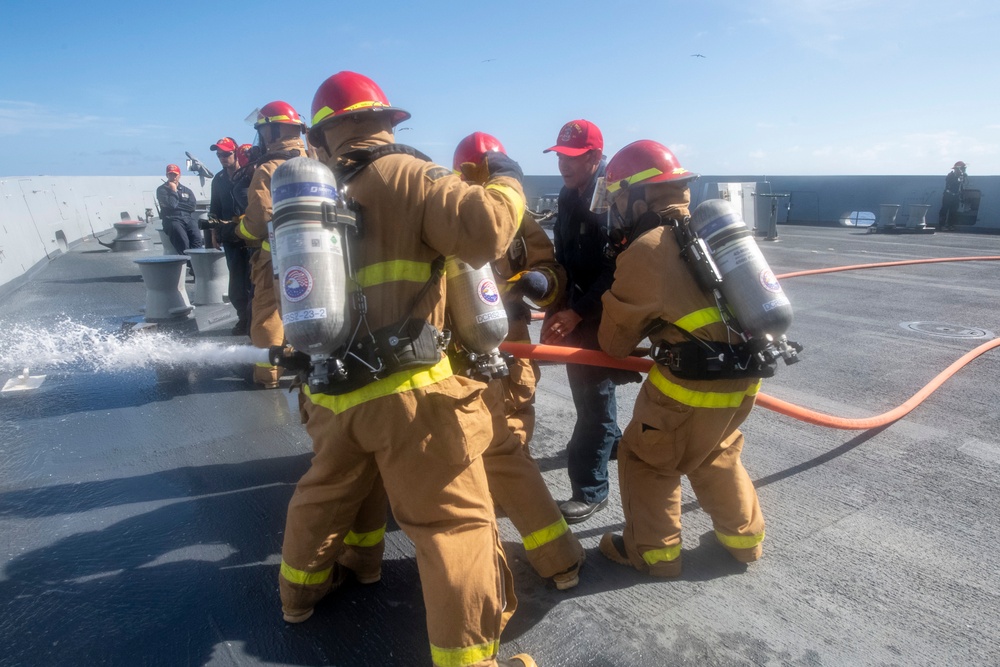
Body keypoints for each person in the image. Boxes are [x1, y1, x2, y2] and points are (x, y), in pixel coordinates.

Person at [278, 71, 534, 667]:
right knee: (454, 526)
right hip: (410, 392)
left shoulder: (318, 195)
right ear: (385, 122)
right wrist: (509, 182)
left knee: (323, 497)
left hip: (333, 394)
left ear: (325, 135)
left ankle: (299, 595)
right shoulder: (407, 173)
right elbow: (485, 231)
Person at [596, 139, 765, 578]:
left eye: (618, 200)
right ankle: (746, 542)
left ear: (638, 198)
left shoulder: (646, 248)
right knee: (716, 451)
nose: (616, 210)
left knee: (647, 459)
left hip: (688, 385)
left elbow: (614, 342)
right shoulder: (713, 234)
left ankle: (655, 555)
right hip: (743, 376)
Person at [452, 131, 584, 589]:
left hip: (509, 336)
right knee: (489, 440)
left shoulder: (516, 216)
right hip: (461, 344)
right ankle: (508, 506)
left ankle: (508, 498)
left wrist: (538, 283)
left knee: (514, 420)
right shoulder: (447, 213)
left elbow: (549, 266)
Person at [540, 119, 638, 524]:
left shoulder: (612, 200)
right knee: (592, 395)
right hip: (577, 311)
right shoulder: (568, 195)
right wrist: (557, 306)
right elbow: (564, 256)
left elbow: (618, 269)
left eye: (574, 157)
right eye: (560, 156)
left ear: (595, 157)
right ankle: (611, 443)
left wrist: (577, 311)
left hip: (601, 311)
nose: (564, 164)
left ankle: (591, 490)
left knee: (592, 403)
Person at [235, 101, 308, 387]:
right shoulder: (317, 162)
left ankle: (268, 374)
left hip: (275, 257)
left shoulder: (268, 168)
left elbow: (260, 219)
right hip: (317, 254)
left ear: (273, 131)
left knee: (268, 314)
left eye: (264, 131)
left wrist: (238, 229)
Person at [208, 137, 253, 336]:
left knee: (254, 278)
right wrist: (214, 233)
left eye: (226, 154)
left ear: (236, 153)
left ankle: (256, 318)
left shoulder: (250, 174)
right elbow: (214, 208)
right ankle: (244, 317)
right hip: (230, 236)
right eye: (219, 155)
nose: (222, 158)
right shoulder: (218, 180)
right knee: (236, 281)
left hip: (251, 235)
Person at [155, 164, 203, 255]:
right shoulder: (161, 190)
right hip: (172, 219)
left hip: (187, 218)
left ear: (179, 175)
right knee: (183, 242)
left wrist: (177, 205)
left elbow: (192, 207)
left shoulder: (187, 190)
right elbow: (172, 205)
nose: (173, 177)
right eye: (170, 174)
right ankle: (187, 261)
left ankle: (196, 261)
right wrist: (173, 190)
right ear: (167, 175)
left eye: (175, 174)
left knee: (197, 238)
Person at [938, 161, 967, 231]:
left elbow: (962, 185)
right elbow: (952, 183)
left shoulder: (962, 176)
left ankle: (950, 225)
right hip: (948, 195)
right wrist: (958, 177)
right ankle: (942, 225)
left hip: (956, 196)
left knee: (954, 211)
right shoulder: (950, 175)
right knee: (944, 210)